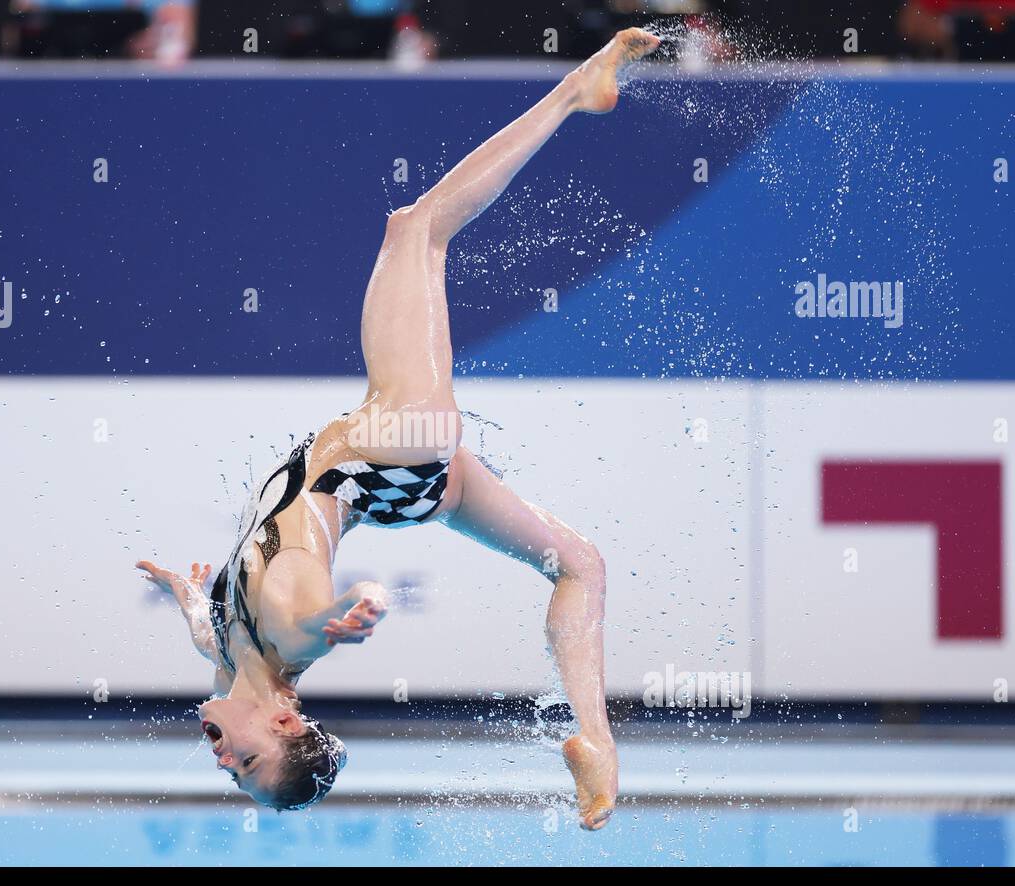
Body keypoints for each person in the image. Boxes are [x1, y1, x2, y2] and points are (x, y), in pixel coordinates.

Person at [138, 28, 662, 830]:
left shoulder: (224, 654)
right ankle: (575, 90)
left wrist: (182, 591)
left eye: (230, 775)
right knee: (416, 230)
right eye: (247, 763)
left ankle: (597, 741)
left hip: (408, 488)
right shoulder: (289, 629)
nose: (221, 760)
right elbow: (313, 612)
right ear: (285, 722)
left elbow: (208, 634)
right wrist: (352, 612)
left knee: (580, 565)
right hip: (393, 452)